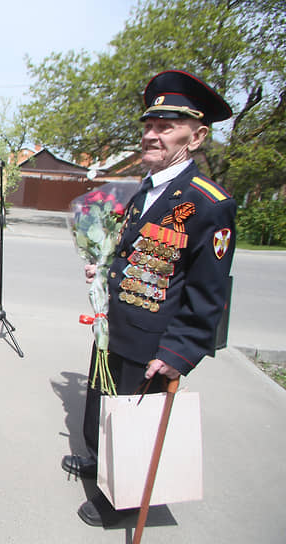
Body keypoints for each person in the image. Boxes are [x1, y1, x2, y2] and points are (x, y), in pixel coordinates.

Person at [61, 70, 237, 527]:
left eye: (166, 127)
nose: (151, 135)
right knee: (104, 406)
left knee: (137, 420)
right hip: (117, 324)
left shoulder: (208, 202)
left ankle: (123, 501)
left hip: (153, 340)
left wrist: (180, 351)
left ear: (195, 137)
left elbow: (208, 291)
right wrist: (104, 268)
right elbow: (135, 251)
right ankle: (103, 466)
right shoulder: (147, 186)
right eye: (149, 125)